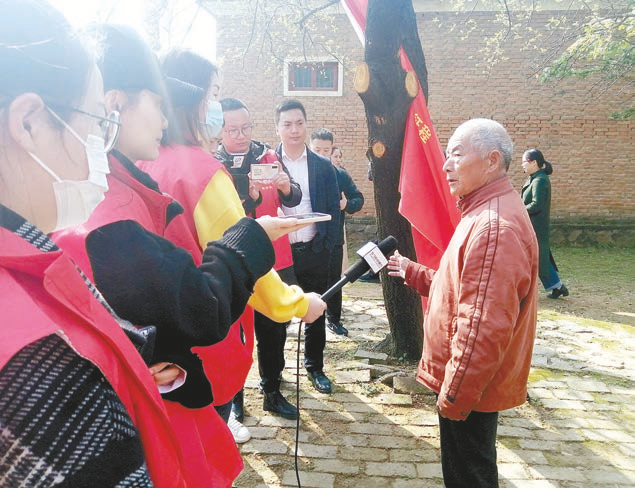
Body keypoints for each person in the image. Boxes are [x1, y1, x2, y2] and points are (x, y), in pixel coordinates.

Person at [52, 27, 308, 488]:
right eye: (157, 101)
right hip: (193, 369)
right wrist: (265, 254)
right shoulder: (143, 198)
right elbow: (197, 305)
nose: (164, 115)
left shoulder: (128, 175)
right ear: (114, 104)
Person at [0, 2, 185, 485]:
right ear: (29, 123)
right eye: (97, 122)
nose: (102, 145)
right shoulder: (41, 363)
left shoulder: (31, 256)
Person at [138, 52, 325, 432]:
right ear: (191, 98)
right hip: (204, 336)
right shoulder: (201, 171)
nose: (216, 107)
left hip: (155, 340)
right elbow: (239, 255)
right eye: (213, 94)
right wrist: (298, 302)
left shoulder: (140, 160)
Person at [388, 118, 538, 487]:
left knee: (469, 476)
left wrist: (455, 396)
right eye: (446, 155)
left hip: (470, 388)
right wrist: (412, 271)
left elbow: (483, 327)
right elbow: (460, 287)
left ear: (491, 161)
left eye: (456, 155)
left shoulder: (494, 227)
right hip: (469, 384)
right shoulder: (482, 212)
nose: (445, 165)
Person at [216, 97, 306, 425]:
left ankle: (272, 389)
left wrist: (286, 187)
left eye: (246, 128)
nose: (241, 135)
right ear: (219, 131)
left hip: (273, 258)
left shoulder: (267, 155)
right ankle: (235, 399)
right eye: (233, 130)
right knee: (233, 334)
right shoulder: (213, 164)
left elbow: (294, 196)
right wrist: (248, 201)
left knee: (274, 329)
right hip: (232, 259)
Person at [276, 100, 341, 393]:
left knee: (316, 311)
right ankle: (274, 373)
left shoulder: (323, 166)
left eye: (299, 123)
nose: (294, 130)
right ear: (277, 128)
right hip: (280, 255)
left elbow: (333, 209)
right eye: (287, 124)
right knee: (276, 316)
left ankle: (315, 367)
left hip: (314, 250)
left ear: (306, 125)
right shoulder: (267, 164)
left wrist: (326, 246)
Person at [309, 129, 364, 336]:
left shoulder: (340, 175)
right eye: (317, 150)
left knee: (333, 280)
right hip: (307, 237)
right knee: (307, 280)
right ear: (310, 148)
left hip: (333, 239)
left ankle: (333, 319)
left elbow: (358, 199)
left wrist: (346, 204)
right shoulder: (302, 173)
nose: (322, 155)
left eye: (326, 150)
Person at [521, 148, 569, 299]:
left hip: (536, 227)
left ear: (534, 163)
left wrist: (520, 210)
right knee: (540, 260)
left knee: (537, 260)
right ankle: (558, 287)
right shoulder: (534, 178)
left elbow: (537, 204)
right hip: (531, 226)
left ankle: (555, 287)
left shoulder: (540, 180)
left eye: (524, 162)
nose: (522, 165)